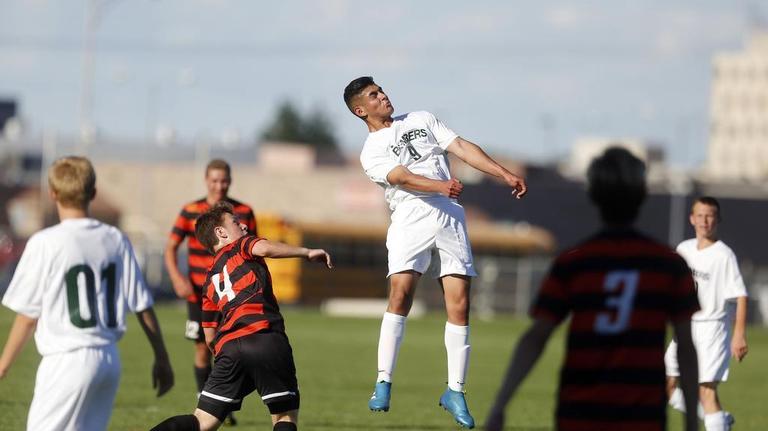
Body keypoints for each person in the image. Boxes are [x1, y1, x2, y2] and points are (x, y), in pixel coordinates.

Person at [343, 76, 527, 429]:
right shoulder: (371, 150)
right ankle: (384, 380)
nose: (383, 96)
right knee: (400, 294)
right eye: (374, 95)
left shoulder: (421, 118)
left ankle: (455, 390)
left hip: (449, 217)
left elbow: (461, 147)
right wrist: (439, 185)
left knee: (460, 304)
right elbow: (400, 177)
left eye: (381, 90)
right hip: (410, 218)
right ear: (361, 111)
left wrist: (503, 173)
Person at [485, 147, 700, 431]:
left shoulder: (574, 264)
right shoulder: (669, 265)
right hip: (642, 416)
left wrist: (500, 405)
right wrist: (691, 423)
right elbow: (686, 348)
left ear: (594, 196)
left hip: (579, 413)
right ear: (642, 195)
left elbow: (536, 337)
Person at [0, 156, 174, 431]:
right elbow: (142, 305)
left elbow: (28, 317)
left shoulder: (46, 242)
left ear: (53, 193)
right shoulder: (115, 238)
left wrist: (3, 366)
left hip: (66, 359)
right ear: (93, 193)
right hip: (108, 359)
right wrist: (161, 357)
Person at [151, 202, 333, 431]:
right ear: (221, 232)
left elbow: (209, 336)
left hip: (229, 348)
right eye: (236, 222)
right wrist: (307, 252)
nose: (244, 226)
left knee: (203, 421)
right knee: (284, 416)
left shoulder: (210, 280)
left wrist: (230, 360)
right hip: (265, 337)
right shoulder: (242, 246)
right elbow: (264, 248)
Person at [165, 158, 256, 425]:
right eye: (214, 180)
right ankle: (205, 401)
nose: (219, 185)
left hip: (232, 294)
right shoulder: (190, 210)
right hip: (199, 293)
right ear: (206, 180)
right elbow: (171, 247)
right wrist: (177, 277)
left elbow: (253, 247)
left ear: (230, 181)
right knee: (203, 347)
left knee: (231, 347)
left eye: (224, 180)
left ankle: (222, 403)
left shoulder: (243, 211)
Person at [665, 196, 748, 431]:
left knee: (706, 391)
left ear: (718, 219)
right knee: (667, 386)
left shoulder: (724, 255)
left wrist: (739, 335)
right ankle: (720, 420)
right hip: (686, 328)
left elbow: (741, 295)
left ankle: (717, 422)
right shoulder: (684, 249)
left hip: (712, 329)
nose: (704, 221)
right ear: (692, 219)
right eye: (700, 215)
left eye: (710, 216)